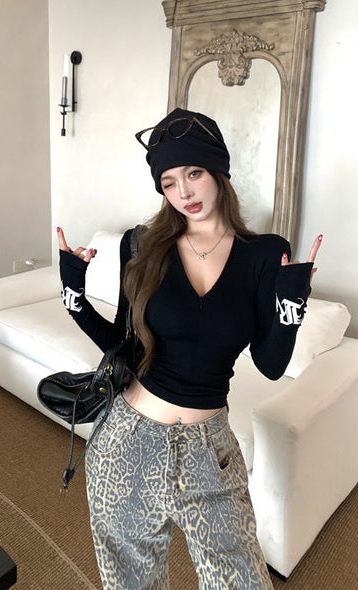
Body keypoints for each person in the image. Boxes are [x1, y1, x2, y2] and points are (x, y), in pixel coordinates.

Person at [57, 107, 321, 590]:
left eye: (194, 173)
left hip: (209, 454)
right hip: (126, 445)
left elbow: (270, 364)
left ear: (218, 170)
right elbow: (123, 345)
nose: (184, 192)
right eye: (169, 182)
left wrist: (291, 305)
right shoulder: (141, 245)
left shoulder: (264, 253)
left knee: (243, 582)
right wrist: (73, 296)